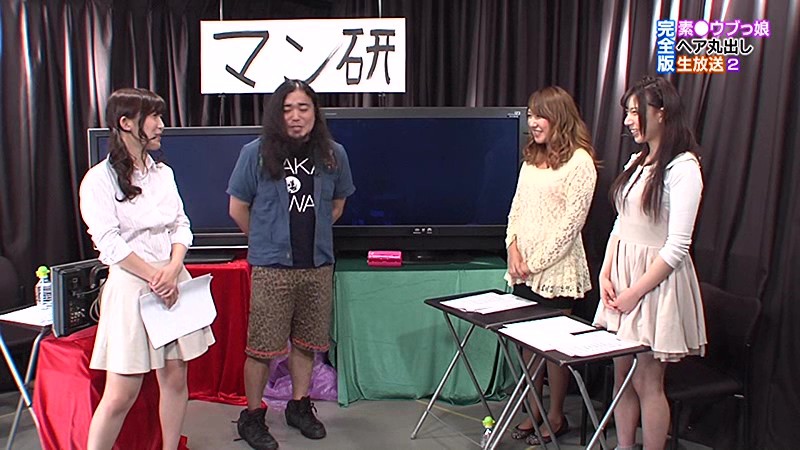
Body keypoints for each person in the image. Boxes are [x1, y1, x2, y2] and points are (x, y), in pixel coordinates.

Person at [79, 88, 215, 450]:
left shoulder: (163, 174)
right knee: (121, 392)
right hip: (132, 285)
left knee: (175, 377)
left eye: (160, 116)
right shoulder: (99, 180)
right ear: (126, 123)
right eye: (153, 116)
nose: (160, 125)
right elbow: (108, 242)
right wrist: (155, 276)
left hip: (171, 279)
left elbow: (181, 225)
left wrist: (173, 268)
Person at [227, 79, 355, 450]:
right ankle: (253, 415)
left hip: (317, 265)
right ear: (276, 115)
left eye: (303, 108)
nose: (296, 116)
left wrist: (313, 235)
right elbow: (237, 208)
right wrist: (266, 239)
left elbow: (337, 204)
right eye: (287, 109)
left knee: (307, 343)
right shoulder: (255, 153)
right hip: (272, 268)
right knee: (261, 348)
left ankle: (299, 406)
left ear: (315, 113)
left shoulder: (333, 154)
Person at [593, 75, 707, 450]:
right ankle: (625, 445)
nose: (628, 120)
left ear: (661, 112)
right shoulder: (637, 161)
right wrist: (606, 272)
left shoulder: (684, 167)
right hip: (622, 278)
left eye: (635, 111)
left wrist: (634, 293)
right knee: (622, 375)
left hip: (654, 284)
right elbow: (621, 224)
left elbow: (677, 246)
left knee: (647, 381)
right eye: (627, 112)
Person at [505, 86, 598, 445]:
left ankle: (556, 416)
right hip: (523, 269)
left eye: (539, 115)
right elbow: (516, 208)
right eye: (530, 115)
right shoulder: (531, 159)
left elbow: (571, 226)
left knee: (553, 348)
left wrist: (535, 263)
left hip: (556, 273)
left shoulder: (580, 163)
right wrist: (513, 249)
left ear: (559, 118)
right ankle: (534, 411)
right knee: (528, 346)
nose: (532, 122)